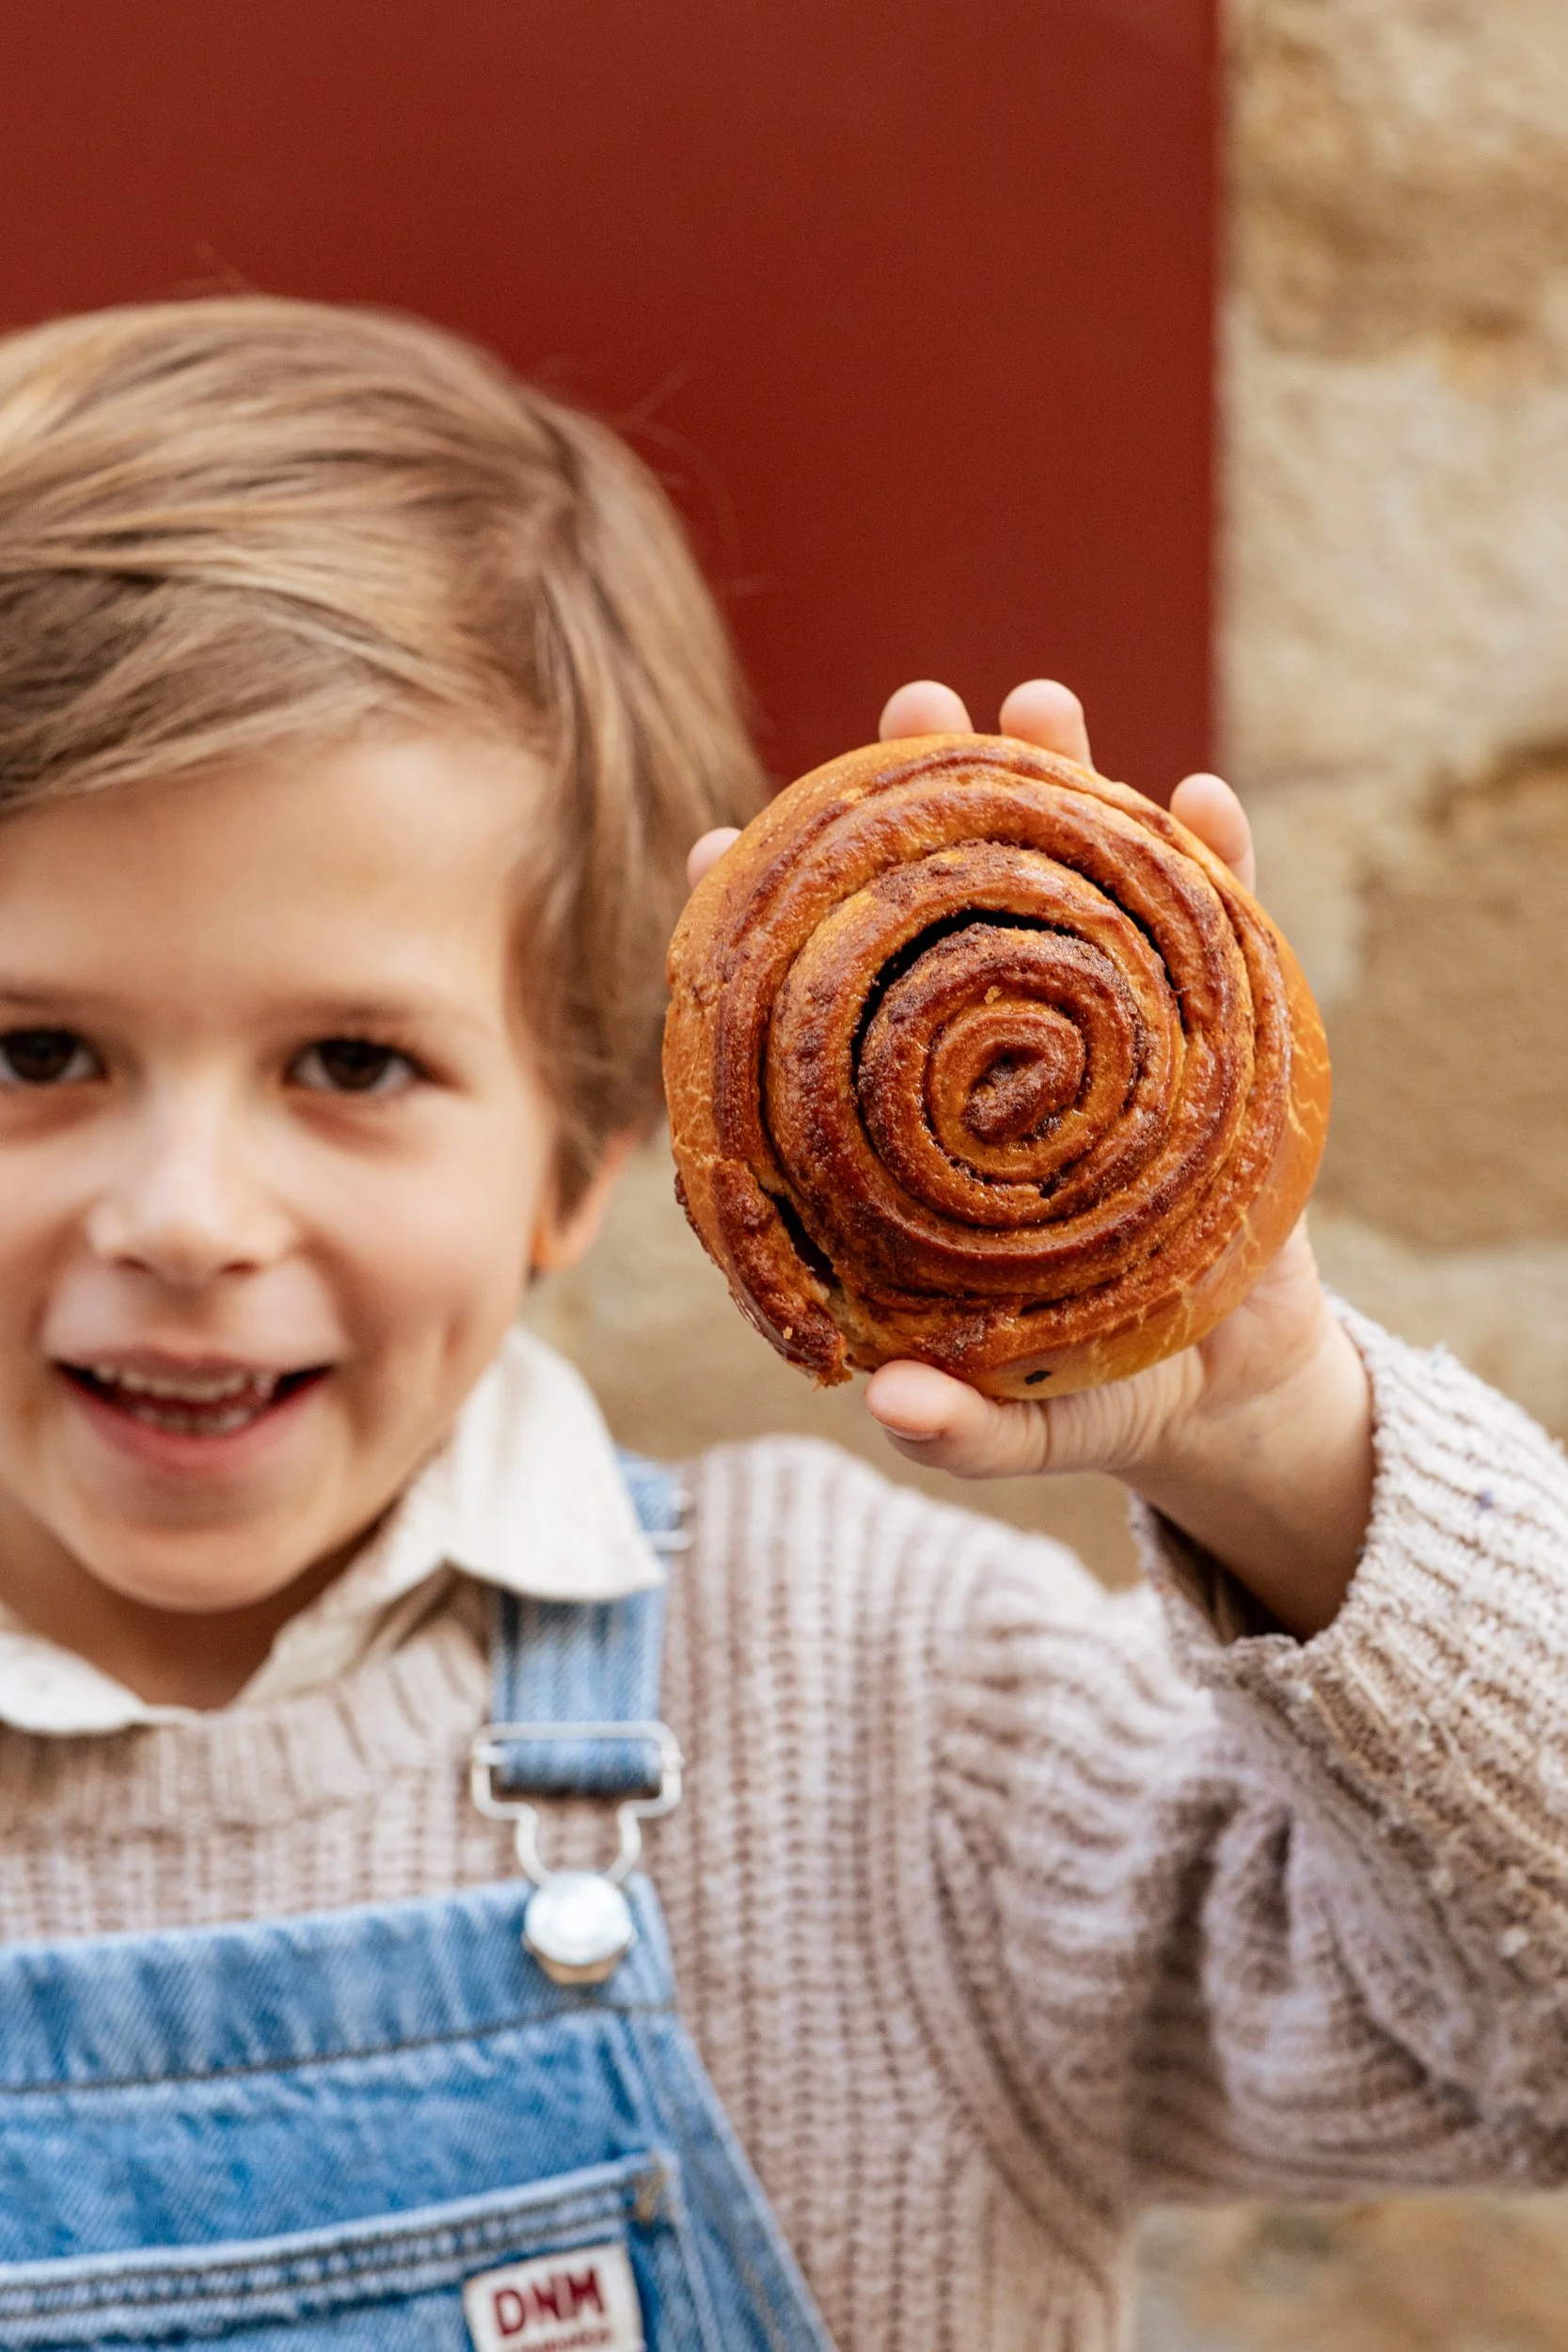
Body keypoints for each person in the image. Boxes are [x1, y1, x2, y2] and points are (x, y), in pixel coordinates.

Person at [0, 294, 1560, 2352]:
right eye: (37, 1045)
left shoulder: (874, 1709)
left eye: (354, 1064)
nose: (187, 1216)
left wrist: (1273, 1433)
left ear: (581, 1146)